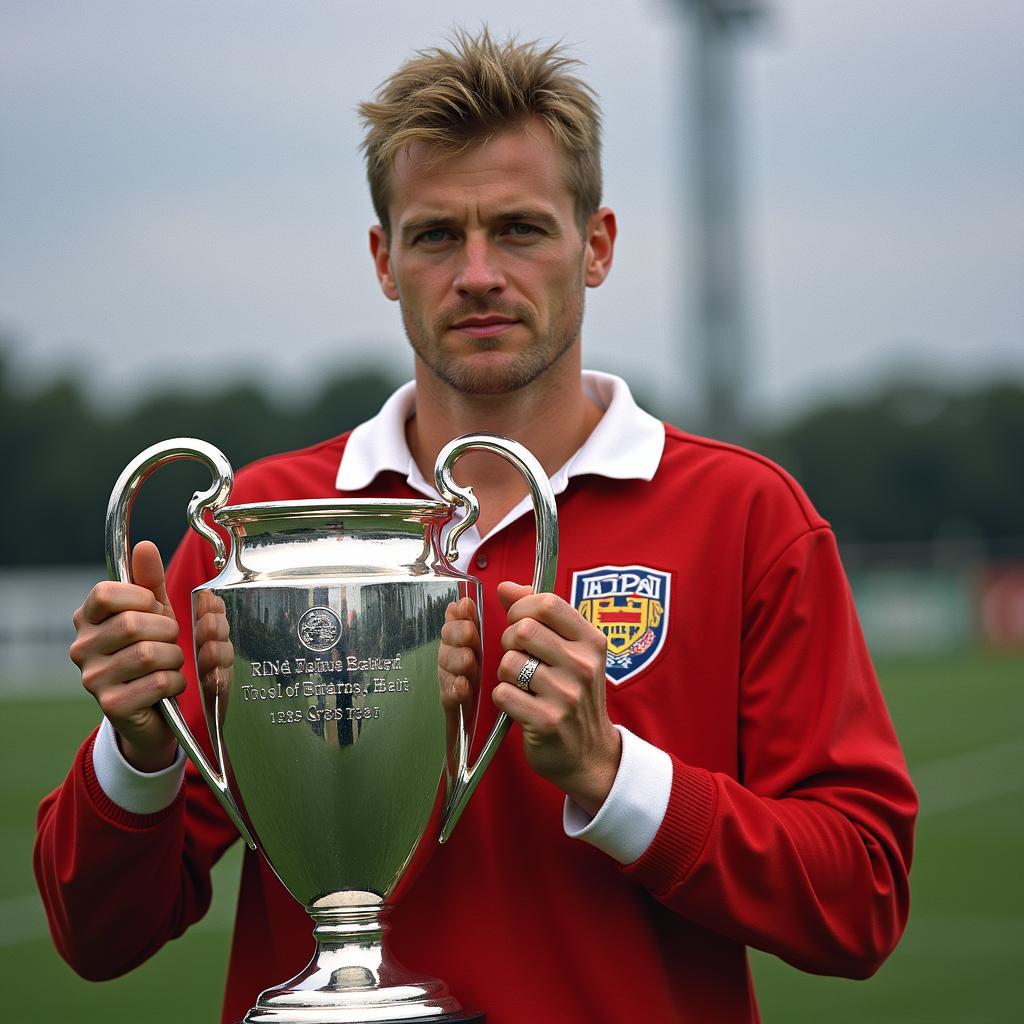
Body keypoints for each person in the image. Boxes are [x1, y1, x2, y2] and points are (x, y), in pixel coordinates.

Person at [35, 29, 917, 1024]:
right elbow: (95, 938)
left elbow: (863, 903)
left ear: (597, 245)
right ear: (383, 258)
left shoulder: (746, 515)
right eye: (436, 235)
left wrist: (613, 775)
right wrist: (139, 748)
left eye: (521, 229)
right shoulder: (260, 532)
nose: (480, 273)